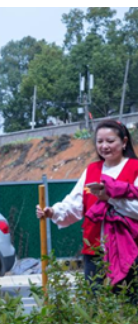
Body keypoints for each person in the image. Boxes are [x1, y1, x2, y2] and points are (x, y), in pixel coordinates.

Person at [37, 120, 138, 297]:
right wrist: (52, 211)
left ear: (123, 142)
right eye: (100, 141)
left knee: (129, 301)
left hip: (128, 249)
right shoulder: (92, 170)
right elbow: (75, 204)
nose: (104, 146)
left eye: (110, 141)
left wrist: (111, 198)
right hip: (95, 249)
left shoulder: (135, 168)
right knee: (93, 300)